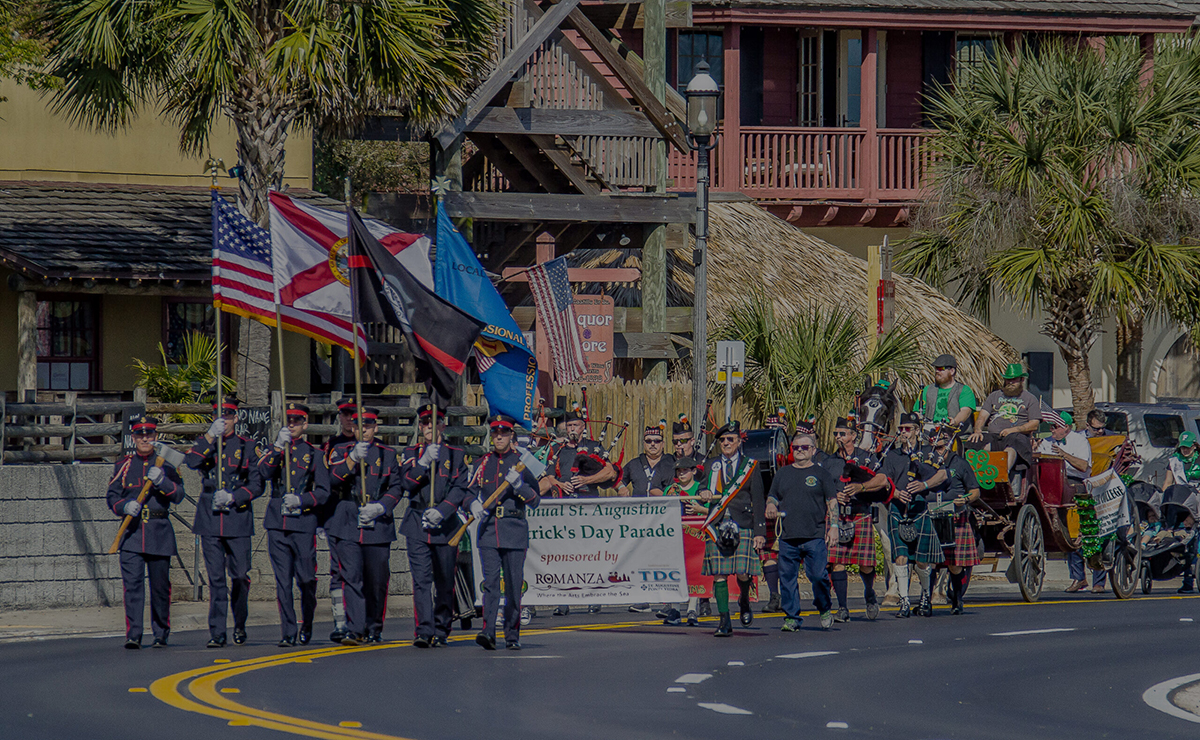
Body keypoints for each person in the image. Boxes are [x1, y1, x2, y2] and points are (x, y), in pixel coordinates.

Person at [185, 396, 264, 648]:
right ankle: (217, 632)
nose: (224, 419)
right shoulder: (207, 442)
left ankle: (239, 623)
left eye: (228, 415)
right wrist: (209, 436)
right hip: (210, 519)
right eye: (220, 415)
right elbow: (192, 462)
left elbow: (257, 484)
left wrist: (234, 497)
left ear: (236, 417)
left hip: (237, 518)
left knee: (240, 576)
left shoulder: (247, 446)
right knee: (216, 580)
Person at [326, 407, 404, 645]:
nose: (364, 430)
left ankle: (374, 627)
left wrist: (382, 507)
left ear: (376, 427)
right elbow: (332, 479)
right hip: (349, 519)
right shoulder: (340, 450)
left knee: (377, 580)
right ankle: (355, 628)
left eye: (369, 425)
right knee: (352, 577)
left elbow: (396, 486)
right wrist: (352, 460)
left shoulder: (388, 453)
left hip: (377, 521)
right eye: (360, 425)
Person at [108, 415, 186, 649]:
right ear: (133, 438)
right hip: (132, 533)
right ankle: (134, 634)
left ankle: (161, 633)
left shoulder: (167, 465)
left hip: (159, 532)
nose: (145, 439)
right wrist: (123, 506)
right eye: (140, 435)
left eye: (149, 435)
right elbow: (112, 496)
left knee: (160, 588)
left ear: (155, 436)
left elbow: (179, 495)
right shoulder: (124, 465)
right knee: (132, 587)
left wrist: (162, 481)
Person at [399, 404, 471, 648]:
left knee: (444, 581)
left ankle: (441, 628)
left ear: (443, 424)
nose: (430, 427)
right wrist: (422, 463)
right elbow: (406, 485)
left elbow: (461, 488)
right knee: (421, 580)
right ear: (420, 426)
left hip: (445, 524)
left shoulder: (456, 454)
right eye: (425, 423)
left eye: (434, 422)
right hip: (417, 522)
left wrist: (442, 511)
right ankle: (423, 630)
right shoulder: (411, 452)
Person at [258, 402, 329, 647]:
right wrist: (277, 448)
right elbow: (264, 474)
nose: (292, 424)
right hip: (278, 522)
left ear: (305, 424)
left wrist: (302, 499)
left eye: (297, 420)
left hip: (303, 522)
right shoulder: (275, 449)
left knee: (307, 579)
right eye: (288, 420)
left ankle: (306, 623)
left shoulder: (315, 454)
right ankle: (288, 631)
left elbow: (323, 492)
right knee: (282, 581)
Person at [470, 414, 542, 650]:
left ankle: (512, 634)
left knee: (512, 585)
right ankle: (487, 632)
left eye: (503, 433)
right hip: (489, 530)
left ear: (511, 435)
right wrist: (472, 504)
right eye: (495, 433)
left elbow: (535, 499)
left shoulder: (522, 462)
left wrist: (519, 486)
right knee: (490, 583)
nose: (498, 437)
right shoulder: (482, 462)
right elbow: (468, 490)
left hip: (514, 529)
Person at [547, 406, 615, 616]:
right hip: (565, 507)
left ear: (583, 427)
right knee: (565, 554)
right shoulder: (558, 450)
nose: (572, 429)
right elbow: (547, 475)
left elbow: (610, 472)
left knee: (590, 552)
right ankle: (564, 599)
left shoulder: (595, 447)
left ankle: (593, 597)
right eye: (569, 426)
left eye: (575, 425)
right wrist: (559, 484)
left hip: (589, 505)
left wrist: (587, 479)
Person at [767, 431, 837, 632]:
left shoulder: (822, 474)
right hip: (788, 536)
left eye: (804, 447)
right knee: (787, 579)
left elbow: (831, 501)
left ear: (813, 450)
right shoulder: (783, 473)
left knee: (818, 576)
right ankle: (792, 617)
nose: (799, 451)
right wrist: (771, 505)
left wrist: (834, 527)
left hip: (814, 535)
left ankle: (824, 607)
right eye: (796, 447)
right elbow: (773, 496)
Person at [701, 421, 766, 637]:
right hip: (718, 523)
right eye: (722, 440)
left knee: (742, 572)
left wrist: (759, 532)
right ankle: (724, 620)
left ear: (738, 441)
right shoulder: (711, 465)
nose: (726, 443)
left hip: (743, 523)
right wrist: (704, 493)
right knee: (719, 574)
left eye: (730, 439)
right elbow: (702, 486)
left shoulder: (751, 465)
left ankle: (744, 600)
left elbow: (758, 499)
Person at [826, 417, 890, 623]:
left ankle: (869, 592)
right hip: (838, 514)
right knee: (837, 562)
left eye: (842, 434)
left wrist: (860, 487)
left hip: (860, 513)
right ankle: (843, 608)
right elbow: (825, 488)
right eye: (836, 434)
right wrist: (837, 496)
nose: (838, 437)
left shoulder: (867, 458)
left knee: (866, 564)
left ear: (853, 436)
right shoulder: (830, 462)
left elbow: (883, 480)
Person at [882, 413, 944, 617]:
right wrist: (896, 493)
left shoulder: (929, 453)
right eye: (900, 429)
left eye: (907, 429)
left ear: (917, 430)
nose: (903, 433)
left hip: (919, 507)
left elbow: (942, 475)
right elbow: (885, 480)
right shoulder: (891, 456)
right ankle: (905, 601)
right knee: (900, 557)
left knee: (921, 560)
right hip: (898, 508)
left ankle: (925, 597)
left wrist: (923, 485)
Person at [1037, 413, 1101, 594]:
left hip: (1075, 483)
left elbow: (1083, 466)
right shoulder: (1046, 442)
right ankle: (1078, 578)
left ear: (1067, 427)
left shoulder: (1080, 442)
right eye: (1050, 427)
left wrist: (1064, 455)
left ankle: (1098, 580)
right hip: (1052, 485)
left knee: (1086, 530)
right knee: (1067, 531)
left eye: (1055, 427)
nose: (1052, 430)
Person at [924, 425, 982, 614]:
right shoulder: (926, 463)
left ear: (949, 445)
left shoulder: (960, 463)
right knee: (929, 563)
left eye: (941, 447)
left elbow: (975, 491)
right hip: (932, 518)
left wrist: (964, 499)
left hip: (956, 518)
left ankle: (957, 600)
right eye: (935, 447)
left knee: (954, 565)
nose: (937, 451)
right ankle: (926, 602)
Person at [320, 399, 358, 643]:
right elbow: (328, 481)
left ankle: (365, 623)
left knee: (364, 572)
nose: (349, 419)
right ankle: (340, 622)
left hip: (362, 509)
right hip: (338, 512)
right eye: (345, 414)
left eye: (353, 414)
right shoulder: (330, 447)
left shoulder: (374, 446)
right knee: (338, 571)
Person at [968, 363, 1042, 484]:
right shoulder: (994, 396)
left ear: (1022, 380)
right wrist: (977, 431)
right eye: (1008, 379)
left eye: (1014, 380)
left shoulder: (1029, 398)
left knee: (1014, 443)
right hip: (994, 436)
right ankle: (976, 477)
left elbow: (1034, 424)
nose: (1010, 382)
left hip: (1017, 436)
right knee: (975, 441)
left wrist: (1014, 430)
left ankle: (1002, 476)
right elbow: (983, 415)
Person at [661, 456, 708, 626]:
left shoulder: (701, 490)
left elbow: (711, 512)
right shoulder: (670, 490)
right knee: (676, 572)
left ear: (693, 471)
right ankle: (674, 609)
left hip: (696, 537)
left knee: (694, 571)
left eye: (685, 471)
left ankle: (692, 609)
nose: (681, 474)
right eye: (679, 471)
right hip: (675, 535)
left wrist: (699, 508)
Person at [1163, 432, 1200, 593]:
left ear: (1194, 446)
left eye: (1188, 447)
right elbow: (1168, 483)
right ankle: (1187, 581)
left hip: (1197, 499)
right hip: (1181, 501)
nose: (1185, 450)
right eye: (1183, 447)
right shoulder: (1174, 461)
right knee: (1186, 546)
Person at [915, 354, 977, 429]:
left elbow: (965, 412)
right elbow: (917, 412)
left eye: (941, 368)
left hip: (956, 434)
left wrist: (955, 421)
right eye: (936, 368)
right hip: (930, 434)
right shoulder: (927, 390)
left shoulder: (964, 390)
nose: (937, 371)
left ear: (952, 371)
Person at [618, 423, 675, 497]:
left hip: (664, 507)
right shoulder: (633, 464)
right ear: (644, 443)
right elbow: (617, 480)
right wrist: (621, 487)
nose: (652, 444)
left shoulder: (672, 462)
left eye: (657, 441)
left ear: (663, 444)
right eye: (648, 441)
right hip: (638, 507)